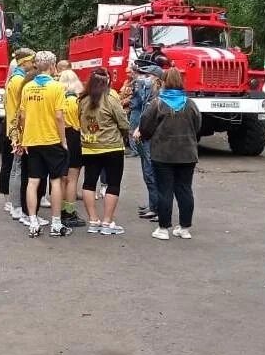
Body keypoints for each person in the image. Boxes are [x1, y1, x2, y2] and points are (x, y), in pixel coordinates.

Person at [140, 68, 201, 241]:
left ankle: (163, 228)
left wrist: (147, 137)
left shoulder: (158, 103)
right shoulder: (190, 103)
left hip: (163, 154)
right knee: (184, 190)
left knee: (164, 191)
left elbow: (145, 126)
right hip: (187, 154)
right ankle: (184, 228)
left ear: (164, 82)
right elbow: (198, 125)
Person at [17, 51, 72, 237]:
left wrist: (24, 138)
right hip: (51, 139)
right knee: (55, 180)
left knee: (33, 181)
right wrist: (63, 140)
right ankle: (56, 223)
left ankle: (33, 221)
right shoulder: (57, 88)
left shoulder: (27, 87)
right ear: (52, 66)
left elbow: (22, 116)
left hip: (32, 140)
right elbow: (59, 116)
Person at [78, 68, 130, 235]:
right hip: (112, 147)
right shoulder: (111, 98)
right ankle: (107, 222)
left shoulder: (82, 100)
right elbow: (123, 122)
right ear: (107, 81)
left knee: (89, 182)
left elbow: (80, 120)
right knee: (113, 184)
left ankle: (93, 221)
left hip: (89, 146)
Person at [3, 49, 35, 213]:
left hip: (13, 127)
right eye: (32, 60)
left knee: (16, 166)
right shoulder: (18, 80)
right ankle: (16, 205)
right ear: (24, 62)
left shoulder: (14, 78)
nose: (34, 63)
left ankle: (13, 203)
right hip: (18, 129)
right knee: (18, 167)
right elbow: (22, 107)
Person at [131, 61, 164, 221]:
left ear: (156, 78)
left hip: (152, 138)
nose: (144, 78)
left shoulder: (159, 96)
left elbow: (151, 118)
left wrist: (141, 129)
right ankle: (153, 205)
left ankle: (157, 208)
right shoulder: (148, 91)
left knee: (152, 172)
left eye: (147, 76)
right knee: (147, 172)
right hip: (146, 137)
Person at [57, 70, 86, 228]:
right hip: (74, 138)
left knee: (61, 178)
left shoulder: (58, 98)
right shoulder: (76, 101)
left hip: (60, 137)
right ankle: (69, 211)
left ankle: (59, 209)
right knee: (73, 178)